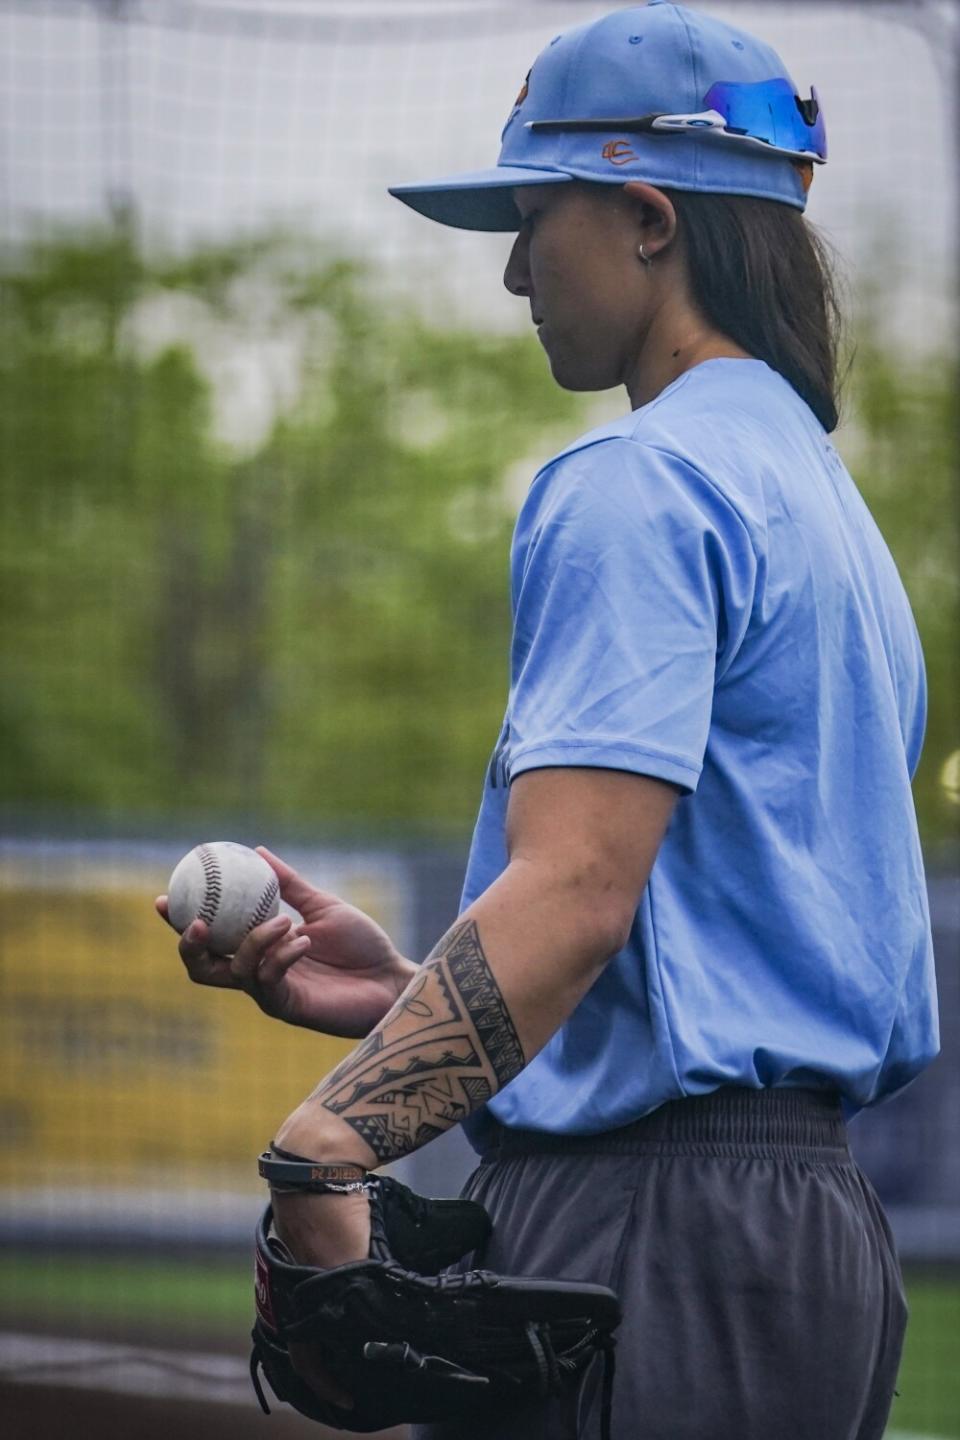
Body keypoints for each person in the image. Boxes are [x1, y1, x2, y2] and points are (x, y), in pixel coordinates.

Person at [157, 4, 939, 1437]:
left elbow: (577, 888)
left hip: (649, 1231)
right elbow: (706, 960)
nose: (515, 266)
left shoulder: (639, 483)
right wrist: (409, 992)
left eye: (534, 216)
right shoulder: (832, 516)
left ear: (649, 217)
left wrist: (331, 1143)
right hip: (806, 1236)